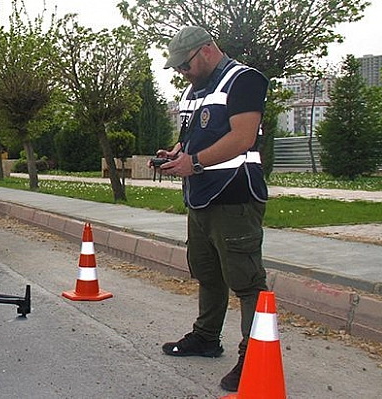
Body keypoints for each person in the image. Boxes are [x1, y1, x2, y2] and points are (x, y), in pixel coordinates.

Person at [152, 26, 270, 392]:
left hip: (234, 196)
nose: (181, 73)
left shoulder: (245, 80)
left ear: (206, 50)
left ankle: (255, 355)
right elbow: (194, 137)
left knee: (247, 282)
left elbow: (242, 137)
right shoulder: (195, 88)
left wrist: (195, 163)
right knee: (208, 273)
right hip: (201, 196)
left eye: (184, 65)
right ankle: (206, 338)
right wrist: (176, 152)